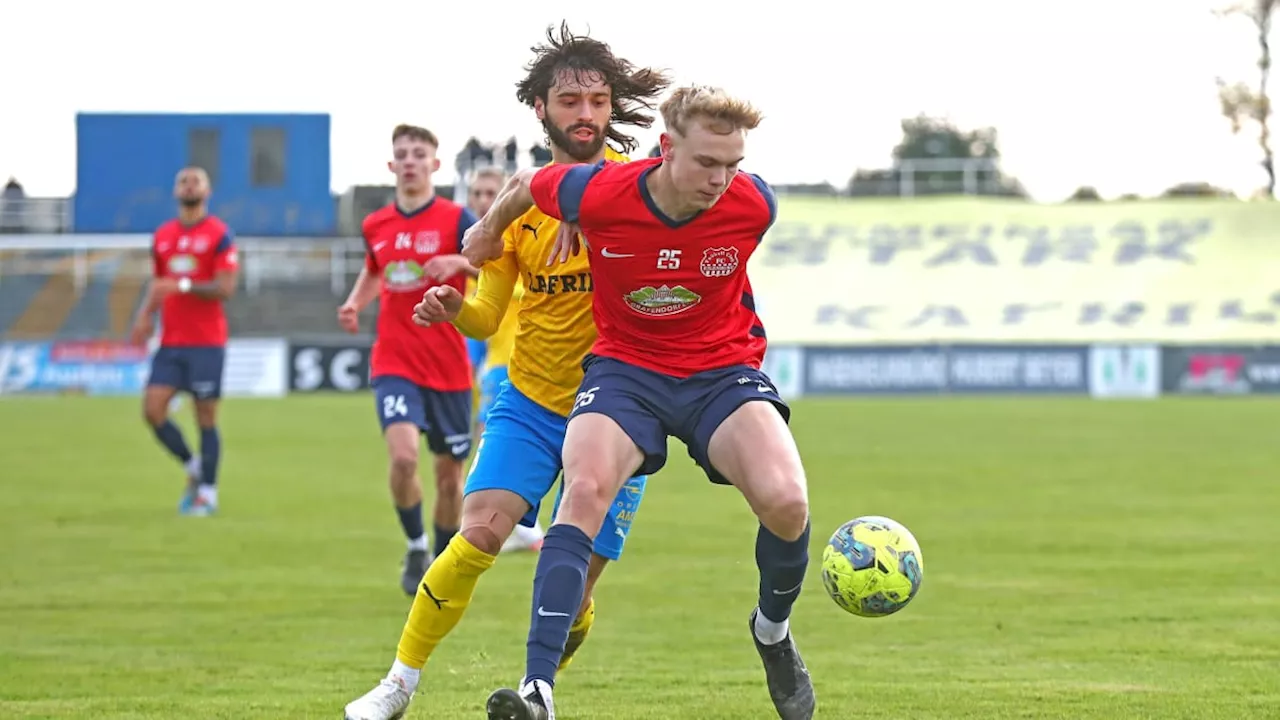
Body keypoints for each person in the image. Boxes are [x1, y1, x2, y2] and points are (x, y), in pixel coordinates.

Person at [342, 24, 670, 720]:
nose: (586, 114)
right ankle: (398, 683)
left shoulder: (638, 194)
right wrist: (455, 306)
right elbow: (489, 314)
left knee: (574, 590)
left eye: (599, 101)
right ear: (542, 110)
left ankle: (538, 686)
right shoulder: (518, 212)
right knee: (481, 532)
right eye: (571, 101)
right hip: (530, 401)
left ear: (612, 111)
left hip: (619, 410)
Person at [464, 85, 815, 720]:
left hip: (720, 370)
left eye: (732, 164)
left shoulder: (753, 205)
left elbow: (734, 202)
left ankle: (772, 632)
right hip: (626, 370)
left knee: (787, 502)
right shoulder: (597, 192)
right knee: (586, 488)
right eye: (707, 162)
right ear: (665, 148)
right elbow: (525, 184)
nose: (720, 179)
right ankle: (538, 689)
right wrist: (486, 233)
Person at [337, 124, 479, 596]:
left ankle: (440, 560)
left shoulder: (457, 219)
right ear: (392, 165)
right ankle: (416, 545)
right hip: (394, 360)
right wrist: (357, 302)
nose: (411, 160)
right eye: (403, 154)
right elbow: (376, 270)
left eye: (420, 153)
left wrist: (458, 264)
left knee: (447, 479)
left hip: (448, 367)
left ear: (435, 165)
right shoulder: (376, 225)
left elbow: (493, 263)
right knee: (402, 459)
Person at [129, 167, 238, 516]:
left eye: (196, 181)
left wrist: (184, 285)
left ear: (207, 191)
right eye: (183, 181)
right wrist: (146, 314)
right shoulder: (162, 236)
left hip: (207, 342)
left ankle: (208, 491)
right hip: (171, 341)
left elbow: (225, 287)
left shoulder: (219, 235)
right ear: (175, 191)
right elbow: (159, 283)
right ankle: (194, 467)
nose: (189, 186)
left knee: (205, 417)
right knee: (153, 410)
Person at [464, 166, 544, 554]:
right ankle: (515, 525)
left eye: (490, 193)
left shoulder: (528, 243)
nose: (483, 201)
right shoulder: (478, 254)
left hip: (533, 366)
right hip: (497, 366)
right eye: (477, 193)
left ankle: (526, 527)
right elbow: (479, 318)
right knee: (487, 441)